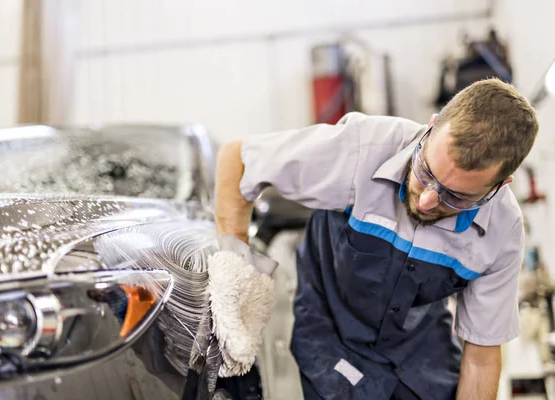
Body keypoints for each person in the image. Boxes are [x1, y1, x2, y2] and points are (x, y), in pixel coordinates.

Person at [214, 78, 539, 400]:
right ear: (432, 126)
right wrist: (235, 268)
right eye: (426, 171)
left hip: (421, 350)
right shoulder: (360, 149)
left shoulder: (502, 230)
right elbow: (237, 160)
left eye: (455, 197)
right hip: (333, 339)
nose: (426, 199)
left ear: (499, 186)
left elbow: (481, 359)